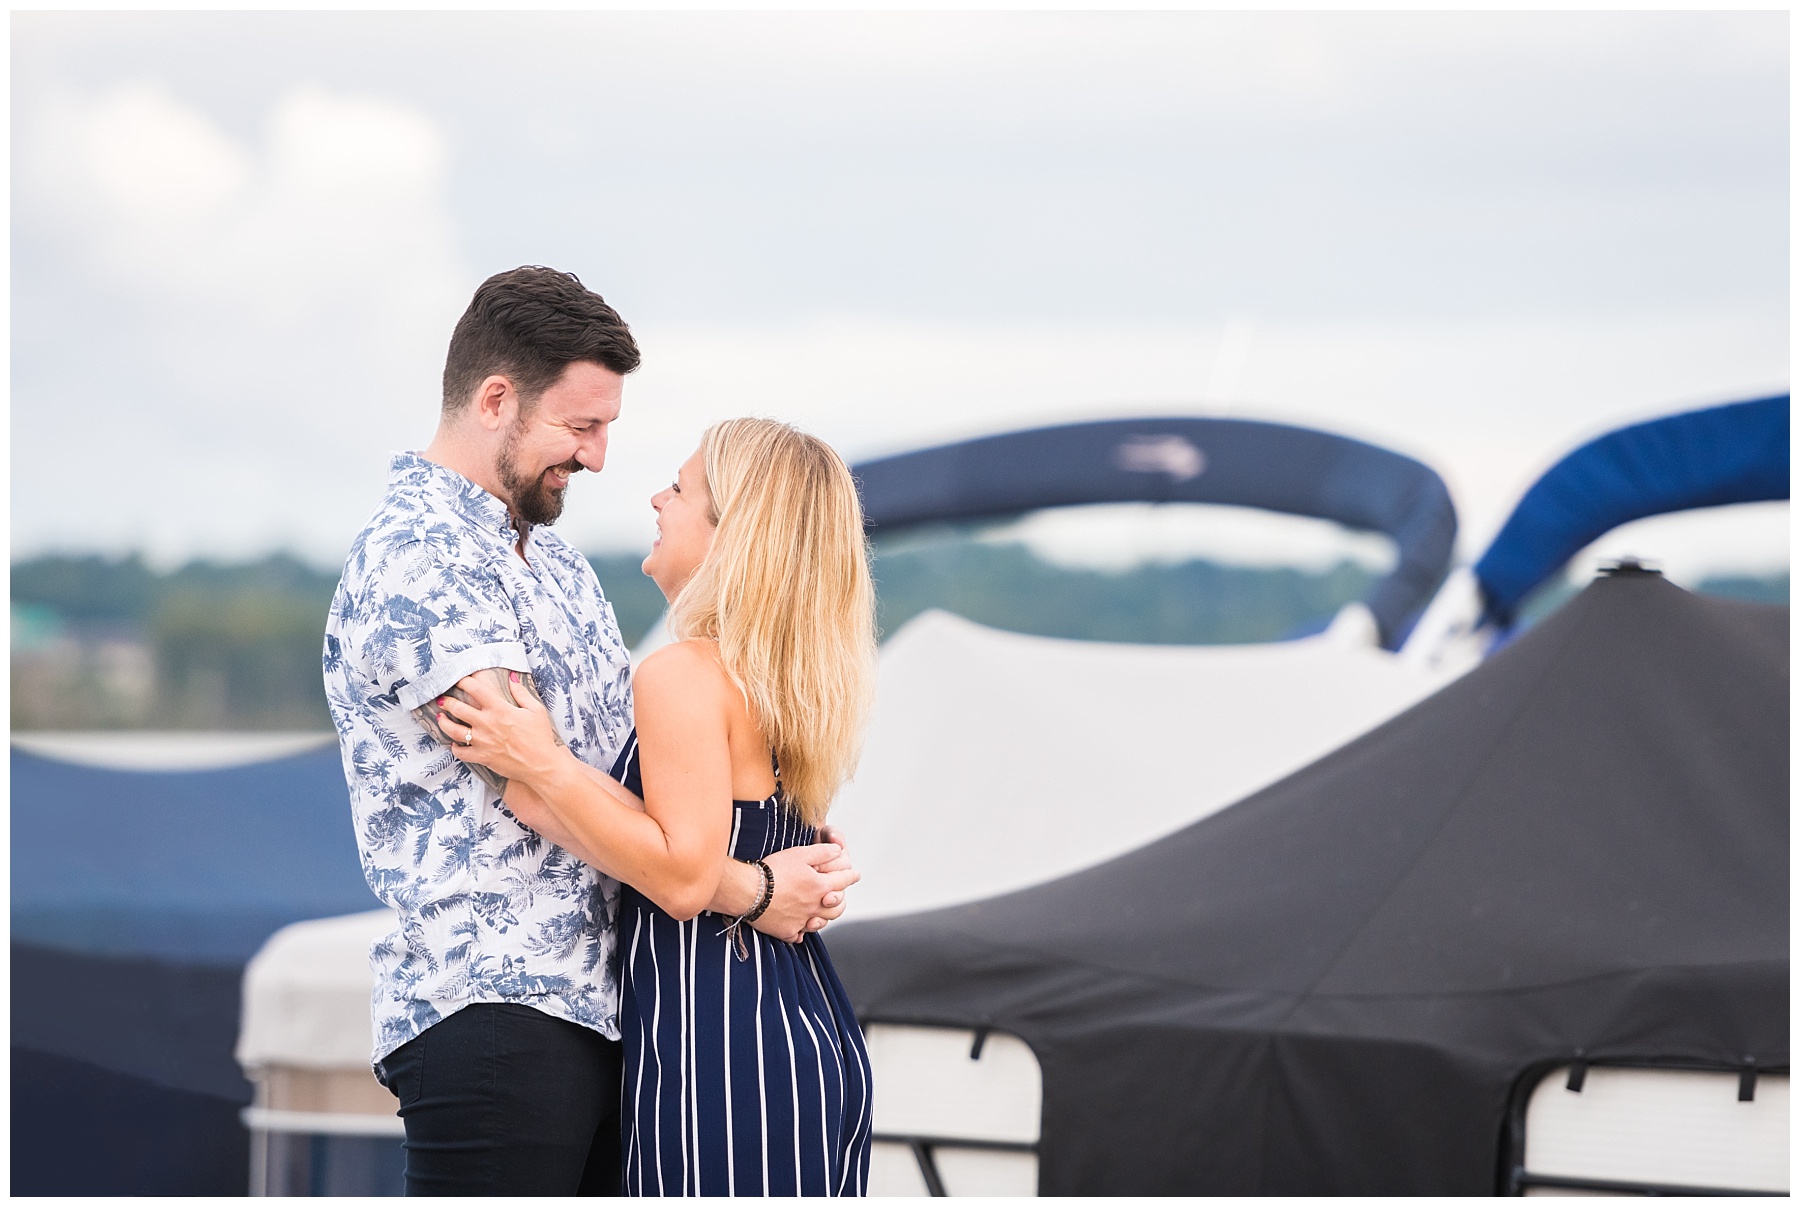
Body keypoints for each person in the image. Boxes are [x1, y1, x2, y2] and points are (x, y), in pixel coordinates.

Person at [324, 268, 860, 1196]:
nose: (602, 458)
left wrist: (758, 841)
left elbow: (626, 787)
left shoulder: (560, 564)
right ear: (497, 399)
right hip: (496, 1006)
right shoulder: (420, 559)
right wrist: (751, 883)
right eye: (581, 427)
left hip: (616, 1014)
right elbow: (531, 783)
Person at [434, 418, 877, 1196]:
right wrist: (542, 776)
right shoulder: (802, 689)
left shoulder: (683, 674)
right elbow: (648, 831)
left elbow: (677, 874)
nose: (656, 499)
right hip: (806, 1028)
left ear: (733, 533)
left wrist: (538, 759)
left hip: (719, 1039)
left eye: (680, 489)